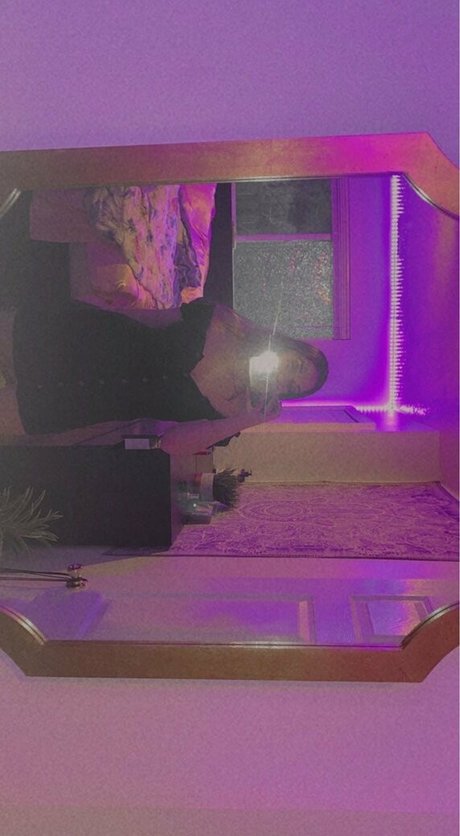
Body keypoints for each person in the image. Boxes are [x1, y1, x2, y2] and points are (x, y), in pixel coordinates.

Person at [12, 294, 328, 454]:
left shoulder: (233, 412)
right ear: (289, 347)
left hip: (76, 405)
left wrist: (250, 418)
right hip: (72, 339)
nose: (284, 377)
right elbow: (146, 318)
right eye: (296, 366)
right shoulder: (225, 323)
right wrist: (84, 310)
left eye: (290, 386)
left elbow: (170, 444)